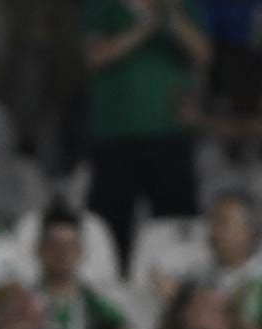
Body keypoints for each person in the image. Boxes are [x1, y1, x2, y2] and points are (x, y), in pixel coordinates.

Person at [82, 0, 209, 270]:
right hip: (115, 135)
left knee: (177, 221)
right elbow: (98, 56)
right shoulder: (101, 7)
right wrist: (148, 26)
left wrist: (169, 16)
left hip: (169, 133)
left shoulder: (179, 6)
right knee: (108, 224)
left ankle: (180, 285)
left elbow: (203, 53)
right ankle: (109, 290)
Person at [34, 202, 125, 329]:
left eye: (70, 246)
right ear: (38, 249)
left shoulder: (102, 312)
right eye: (54, 245)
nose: (62, 254)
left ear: (81, 251)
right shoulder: (18, 305)